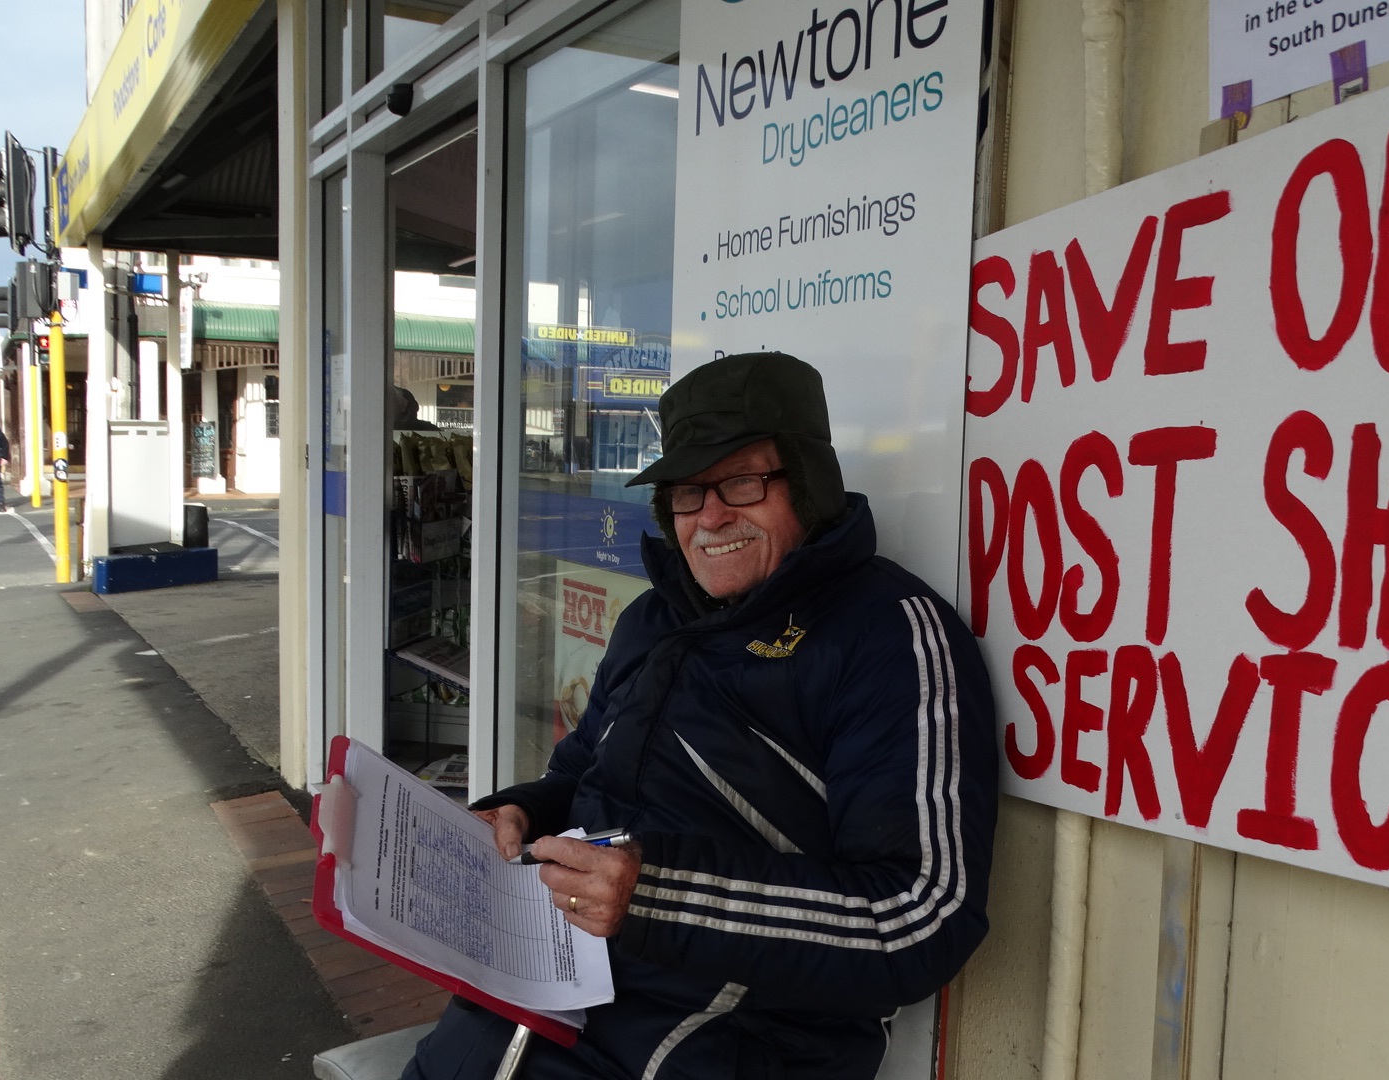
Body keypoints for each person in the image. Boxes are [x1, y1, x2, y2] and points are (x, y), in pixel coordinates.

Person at [402, 353, 998, 1080]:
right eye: (687, 491)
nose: (711, 515)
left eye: (742, 482)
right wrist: (522, 814)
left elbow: (923, 914)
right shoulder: (655, 618)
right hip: (522, 1012)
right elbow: (582, 772)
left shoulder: (889, 635)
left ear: (808, 484)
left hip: (717, 1048)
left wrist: (650, 892)